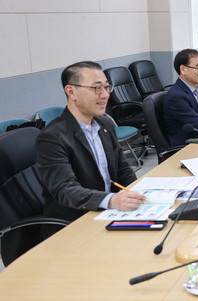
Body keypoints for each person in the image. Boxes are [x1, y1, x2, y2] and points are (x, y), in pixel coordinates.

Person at [35, 61, 145, 221]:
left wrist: (136, 193)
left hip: (109, 211)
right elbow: (65, 190)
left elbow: (123, 169)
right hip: (76, 219)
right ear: (71, 92)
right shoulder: (51, 137)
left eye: (106, 87)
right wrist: (111, 200)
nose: (105, 95)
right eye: (97, 88)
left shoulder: (105, 124)